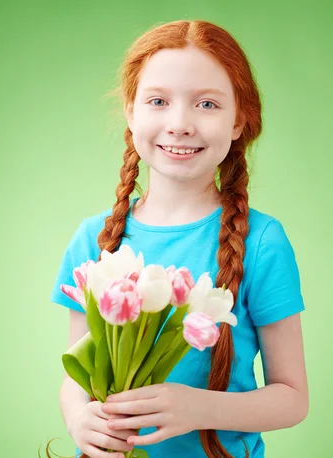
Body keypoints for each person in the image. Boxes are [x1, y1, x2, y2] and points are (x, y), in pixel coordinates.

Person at [50, 19, 309, 458]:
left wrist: (199, 407)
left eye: (207, 104)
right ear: (132, 112)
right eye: (158, 101)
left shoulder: (262, 242)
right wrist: (79, 419)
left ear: (238, 121)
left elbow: (292, 397)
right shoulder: (96, 240)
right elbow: (76, 379)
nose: (180, 124)